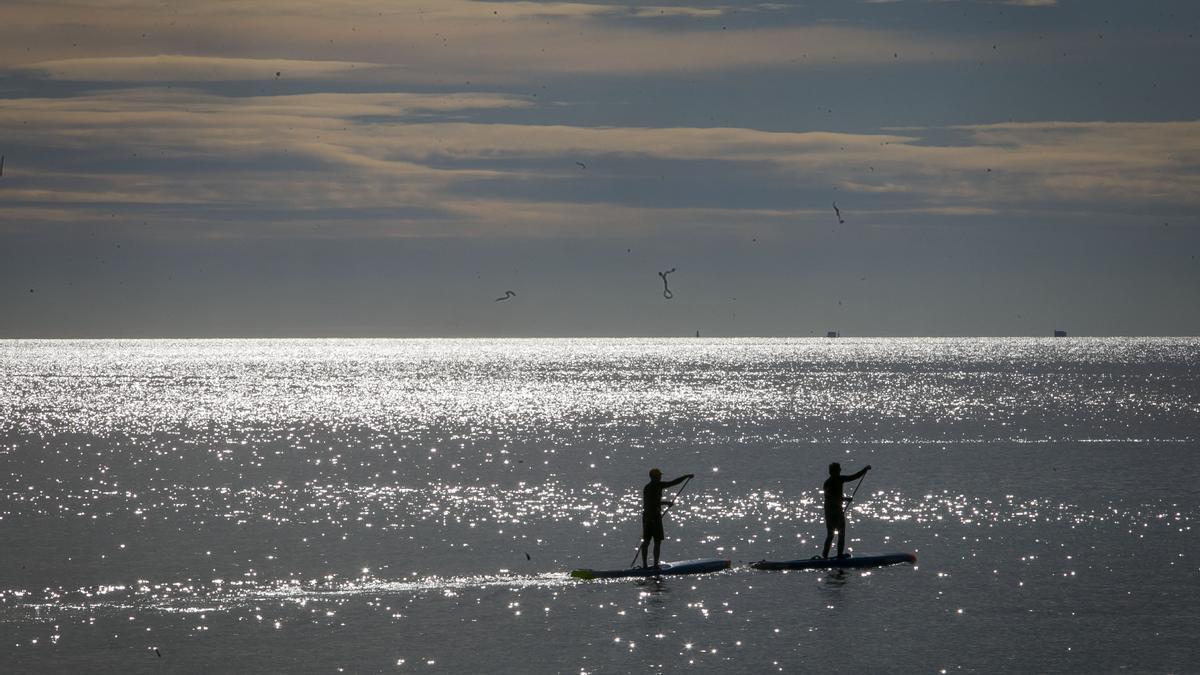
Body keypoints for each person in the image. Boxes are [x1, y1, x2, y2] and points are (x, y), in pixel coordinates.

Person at [639, 468, 694, 568]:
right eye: (659, 476)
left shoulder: (655, 486)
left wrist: (686, 477)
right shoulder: (650, 487)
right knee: (652, 541)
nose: (660, 477)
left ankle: (651, 565)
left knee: (653, 541)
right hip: (652, 517)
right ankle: (648, 565)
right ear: (654, 477)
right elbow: (650, 503)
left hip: (650, 516)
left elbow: (674, 483)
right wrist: (666, 503)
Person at [822, 462, 870, 559]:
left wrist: (865, 470)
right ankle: (826, 556)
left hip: (834, 511)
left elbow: (854, 477)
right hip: (832, 512)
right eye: (838, 469)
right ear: (833, 471)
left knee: (838, 534)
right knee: (834, 534)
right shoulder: (829, 483)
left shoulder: (839, 479)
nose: (840, 470)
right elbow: (830, 497)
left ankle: (835, 555)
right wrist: (845, 499)